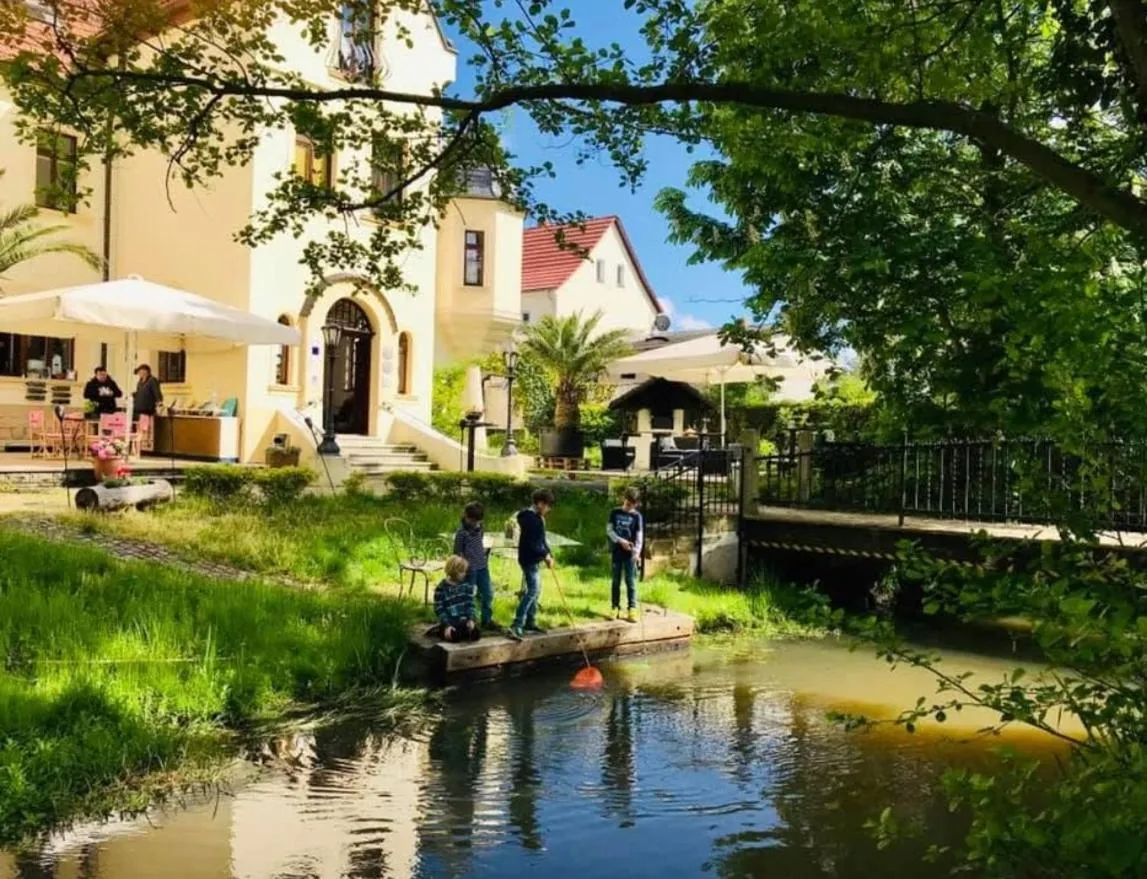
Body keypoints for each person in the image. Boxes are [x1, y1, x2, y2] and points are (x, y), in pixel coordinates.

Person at [507, 488, 555, 642]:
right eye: (547, 506)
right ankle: (516, 624)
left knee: (536, 590)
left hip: (534, 559)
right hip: (528, 559)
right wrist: (545, 555)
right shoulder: (530, 519)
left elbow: (542, 540)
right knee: (532, 591)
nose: (548, 509)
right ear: (540, 503)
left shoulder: (538, 518)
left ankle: (530, 622)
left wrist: (549, 554)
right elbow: (533, 544)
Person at [454, 501, 494, 630]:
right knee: (469, 595)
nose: (474, 523)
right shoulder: (461, 532)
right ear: (466, 516)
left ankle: (487, 620)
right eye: (471, 520)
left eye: (476, 521)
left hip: (482, 567)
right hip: (469, 569)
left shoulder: (480, 528)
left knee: (487, 594)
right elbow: (457, 552)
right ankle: (470, 621)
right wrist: (462, 568)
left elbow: (480, 542)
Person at [607, 486, 644, 623]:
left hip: (630, 555)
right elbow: (609, 531)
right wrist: (620, 540)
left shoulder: (637, 516)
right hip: (617, 552)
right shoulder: (615, 512)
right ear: (624, 499)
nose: (629, 507)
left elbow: (639, 537)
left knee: (631, 581)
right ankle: (615, 607)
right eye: (628, 504)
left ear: (636, 504)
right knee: (616, 581)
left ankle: (632, 608)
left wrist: (637, 553)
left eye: (633, 505)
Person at [433, 556, 481, 643]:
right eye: (462, 572)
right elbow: (439, 609)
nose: (464, 574)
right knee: (454, 636)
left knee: (475, 634)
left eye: (465, 571)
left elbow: (470, 604)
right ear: (454, 571)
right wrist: (447, 624)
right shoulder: (441, 588)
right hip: (449, 621)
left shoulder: (466, 586)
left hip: (464, 620)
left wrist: (471, 619)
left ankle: (466, 632)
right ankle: (444, 631)